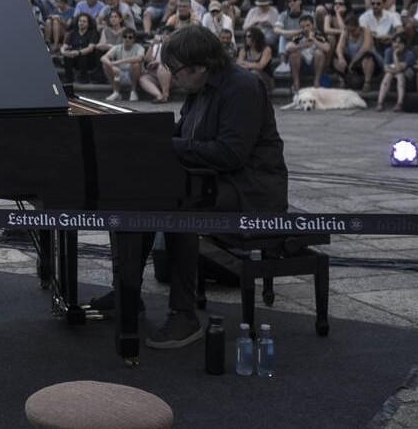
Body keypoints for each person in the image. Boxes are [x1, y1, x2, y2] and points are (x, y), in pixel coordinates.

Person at [104, 26, 286, 349]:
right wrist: (148, 139)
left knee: (179, 206)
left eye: (174, 71)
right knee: (136, 196)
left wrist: (170, 147)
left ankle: (184, 314)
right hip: (216, 181)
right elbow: (183, 134)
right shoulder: (199, 88)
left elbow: (230, 154)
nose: (171, 78)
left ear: (199, 66)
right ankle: (127, 291)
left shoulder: (243, 87)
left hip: (251, 189)